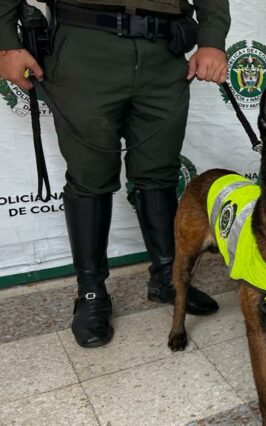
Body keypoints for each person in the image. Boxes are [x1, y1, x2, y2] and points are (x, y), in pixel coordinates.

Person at [0, 0, 229, 348]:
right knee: (89, 175)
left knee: (159, 171)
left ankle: (169, 278)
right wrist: (7, 42)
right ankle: (91, 293)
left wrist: (212, 39)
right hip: (86, 45)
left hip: (163, 51)